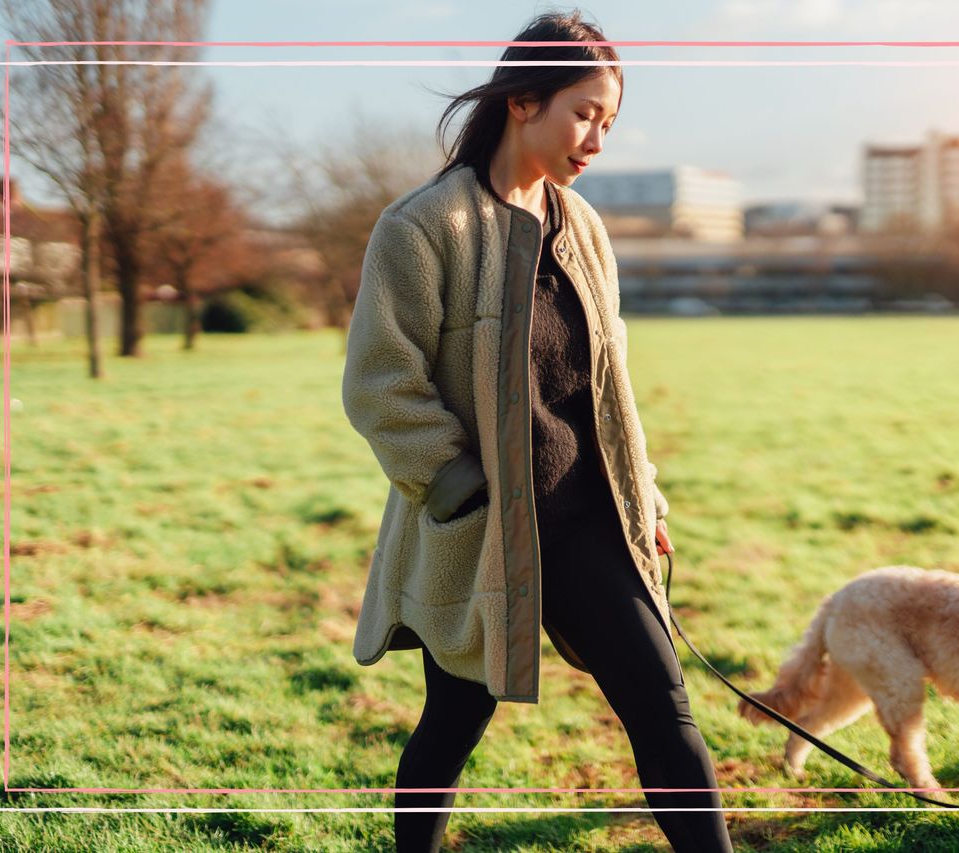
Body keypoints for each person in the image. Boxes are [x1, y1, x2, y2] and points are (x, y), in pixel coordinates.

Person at [340, 10, 734, 853]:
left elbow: (610, 384)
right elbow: (380, 383)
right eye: (584, 112)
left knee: (665, 712)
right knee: (451, 722)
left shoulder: (584, 228)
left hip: (591, 525)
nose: (596, 137)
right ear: (523, 101)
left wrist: (645, 497)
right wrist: (460, 486)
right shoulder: (421, 228)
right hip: (483, 534)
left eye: (609, 122)